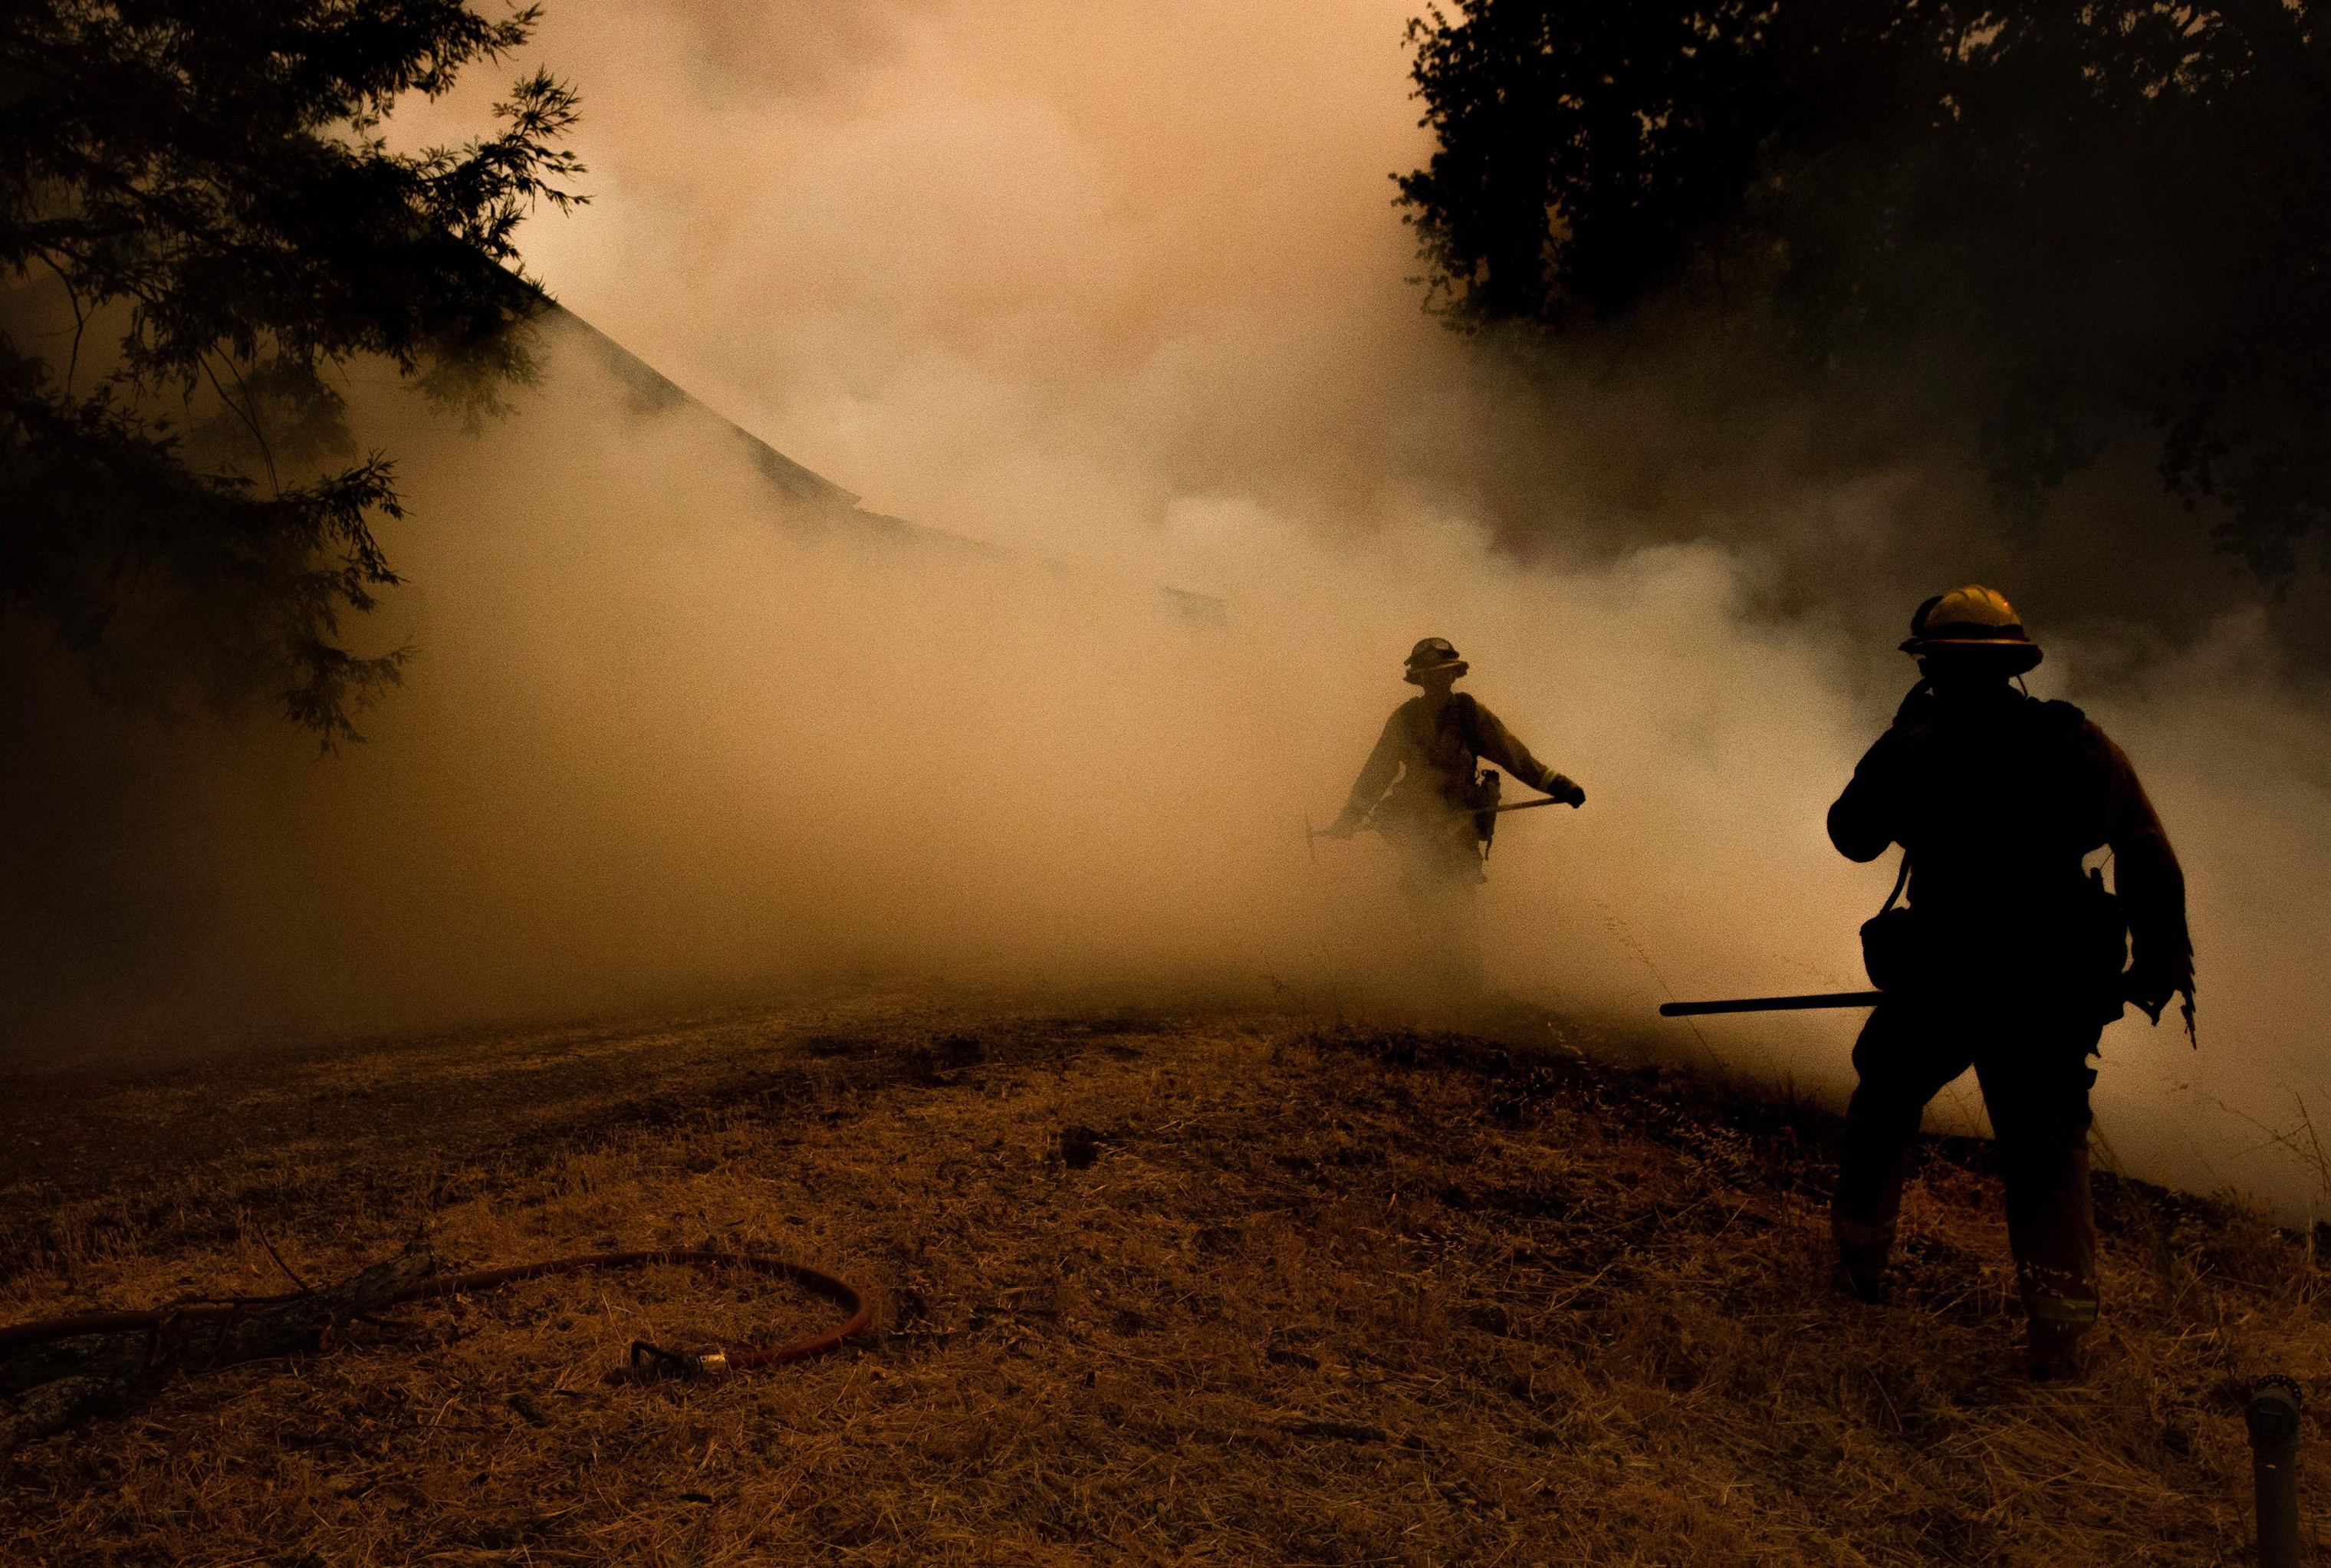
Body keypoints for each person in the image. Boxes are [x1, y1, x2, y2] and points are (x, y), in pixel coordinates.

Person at [1825, 586, 2195, 1381]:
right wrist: (2160, 960)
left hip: (1942, 977)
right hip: (2046, 984)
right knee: (2044, 1153)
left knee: (1883, 1106)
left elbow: (1850, 836)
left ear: (1930, 663)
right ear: (2013, 664)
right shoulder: (2075, 743)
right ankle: (2058, 1339)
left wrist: (1896, 746)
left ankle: (1858, 1267)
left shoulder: (1914, 745)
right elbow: (2144, 849)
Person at [1324, 637, 1583, 934]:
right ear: (1420, 678)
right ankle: (1430, 962)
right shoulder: (1405, 719)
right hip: (1416, 828)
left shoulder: (1470, 716)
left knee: (1459, 904)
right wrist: (1350, 816)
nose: (1436, 680)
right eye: (1430, 674)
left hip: (1460, 826)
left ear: (1453, 675)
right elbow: (1377, 772)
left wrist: (1561, 786)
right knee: (1421, 900)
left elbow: (1515, 757)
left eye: (1443, 672)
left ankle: (1461, 966)